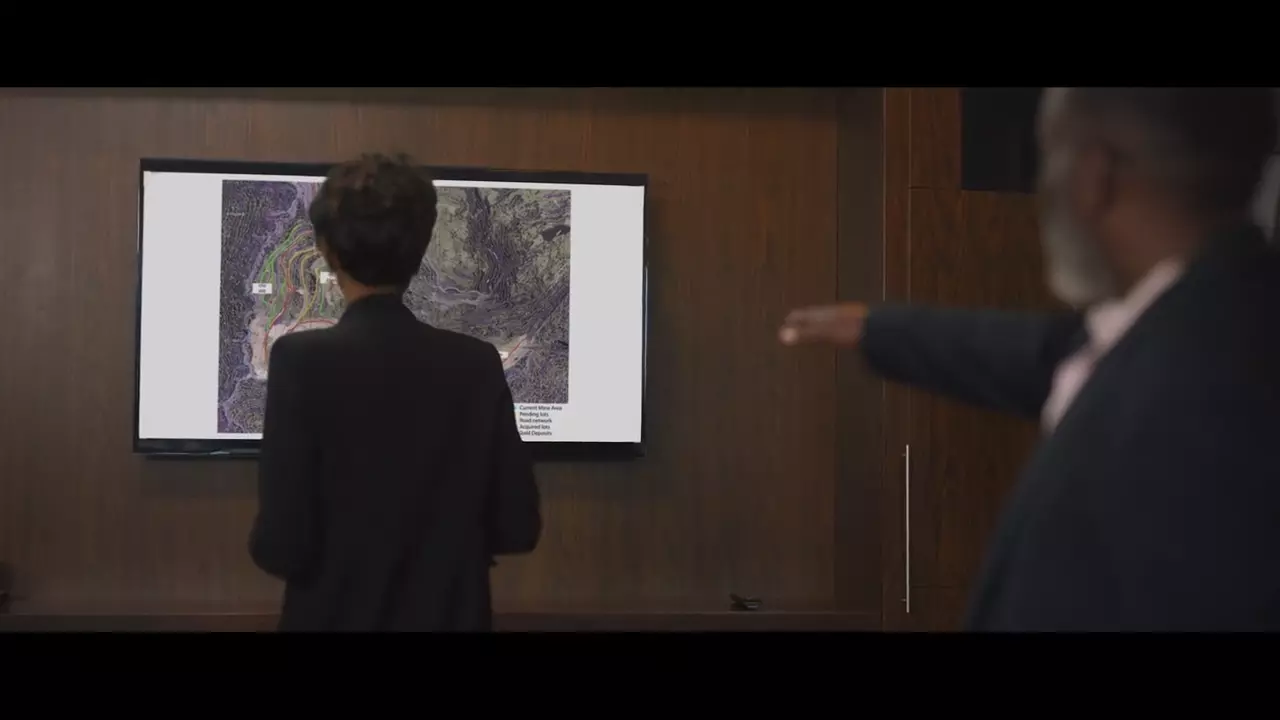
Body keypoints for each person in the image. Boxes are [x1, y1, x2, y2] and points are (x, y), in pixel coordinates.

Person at [780, 88, 1280, 631]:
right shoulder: (1203, 320)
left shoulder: (1202, 400)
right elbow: (1040, 353)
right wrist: (875, 328)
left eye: (1048, 156)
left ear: (1093, 176)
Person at [249, 153, 542, 632]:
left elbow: (282, 546)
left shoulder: (300, 362)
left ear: (327, 250)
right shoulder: (475, 365)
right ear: (421, 249)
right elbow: (517, 527)